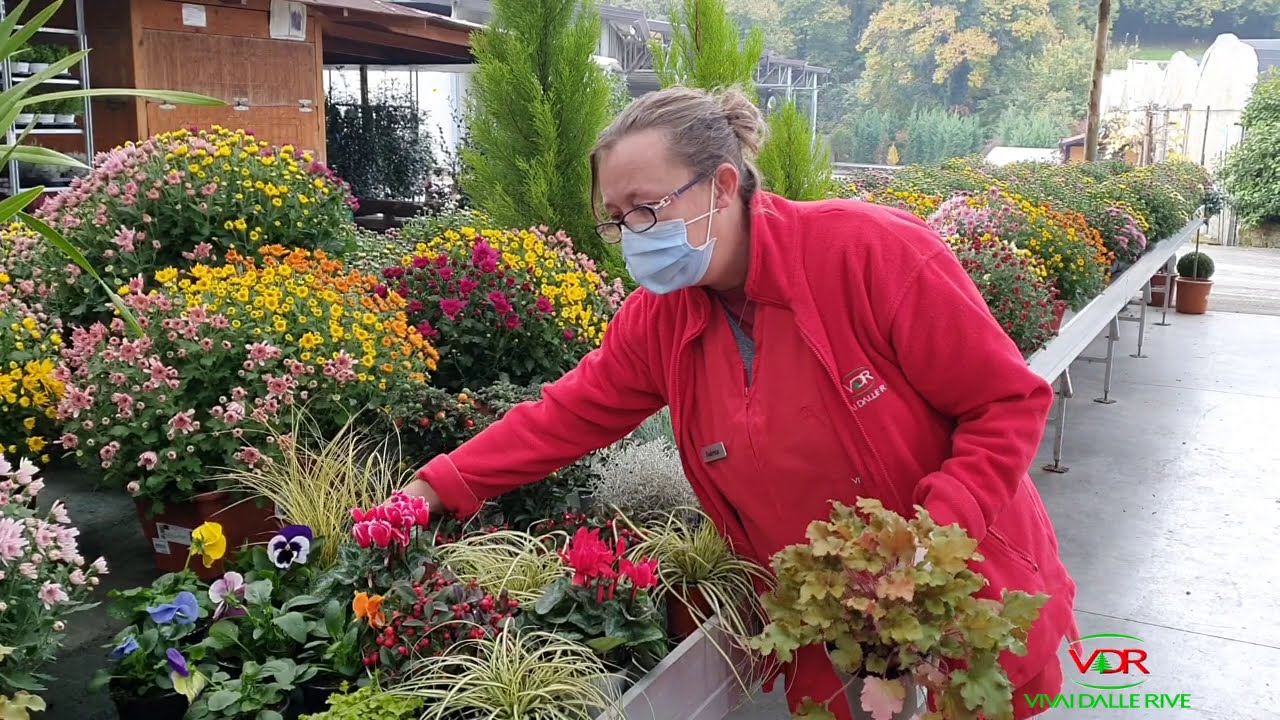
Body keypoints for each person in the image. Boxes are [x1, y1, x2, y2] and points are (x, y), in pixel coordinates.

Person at [404, 86, 1077, 719]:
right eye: (617, 220)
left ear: (723, 186)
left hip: (966, 597)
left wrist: (933, 535)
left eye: (646, 208)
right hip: (836, 639)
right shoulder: (660, 319)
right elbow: (564, 415)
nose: (633, 234)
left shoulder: (868, 253)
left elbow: (1005, 401)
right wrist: (438, 488)